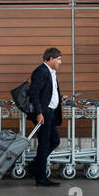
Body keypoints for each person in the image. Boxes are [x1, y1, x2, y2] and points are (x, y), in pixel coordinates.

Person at [27, 47, 68, 187]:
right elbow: (34, 93)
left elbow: (48, 92)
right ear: (51, 58)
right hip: (44, 114)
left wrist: (60, 98)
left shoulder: (50, 72)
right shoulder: (41, 71)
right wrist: (39, 113)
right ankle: (41, 178)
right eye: (58, 59)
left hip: (49, 113)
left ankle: (34, 166)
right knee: (44, 145)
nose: (60, 62)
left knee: (54, 140)